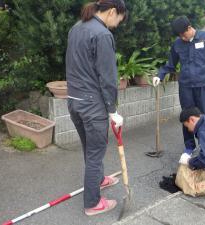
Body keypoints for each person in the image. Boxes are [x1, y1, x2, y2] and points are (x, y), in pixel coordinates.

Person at [65, 0, 127, 216]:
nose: (115, 26)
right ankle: (92, 203)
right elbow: (108, 77)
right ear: (112, 12)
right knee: (94, 153)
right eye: (117, 20)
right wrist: (112, 110)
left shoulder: (76, 28)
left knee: (90, 149)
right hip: (92, 105)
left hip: (74, 100)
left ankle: (99, 180)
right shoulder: (102, 35)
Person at [152, 16, 205, 155]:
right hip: (186, 87)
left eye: (184, 34)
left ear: (190, 28)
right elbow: (170, 64)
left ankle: (204, 145)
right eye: (179, 35)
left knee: (203, 116)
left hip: (202, 85)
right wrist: (159, 75)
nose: (182, 38)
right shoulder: (178, 43)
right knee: (186, 116)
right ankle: (189, 146)